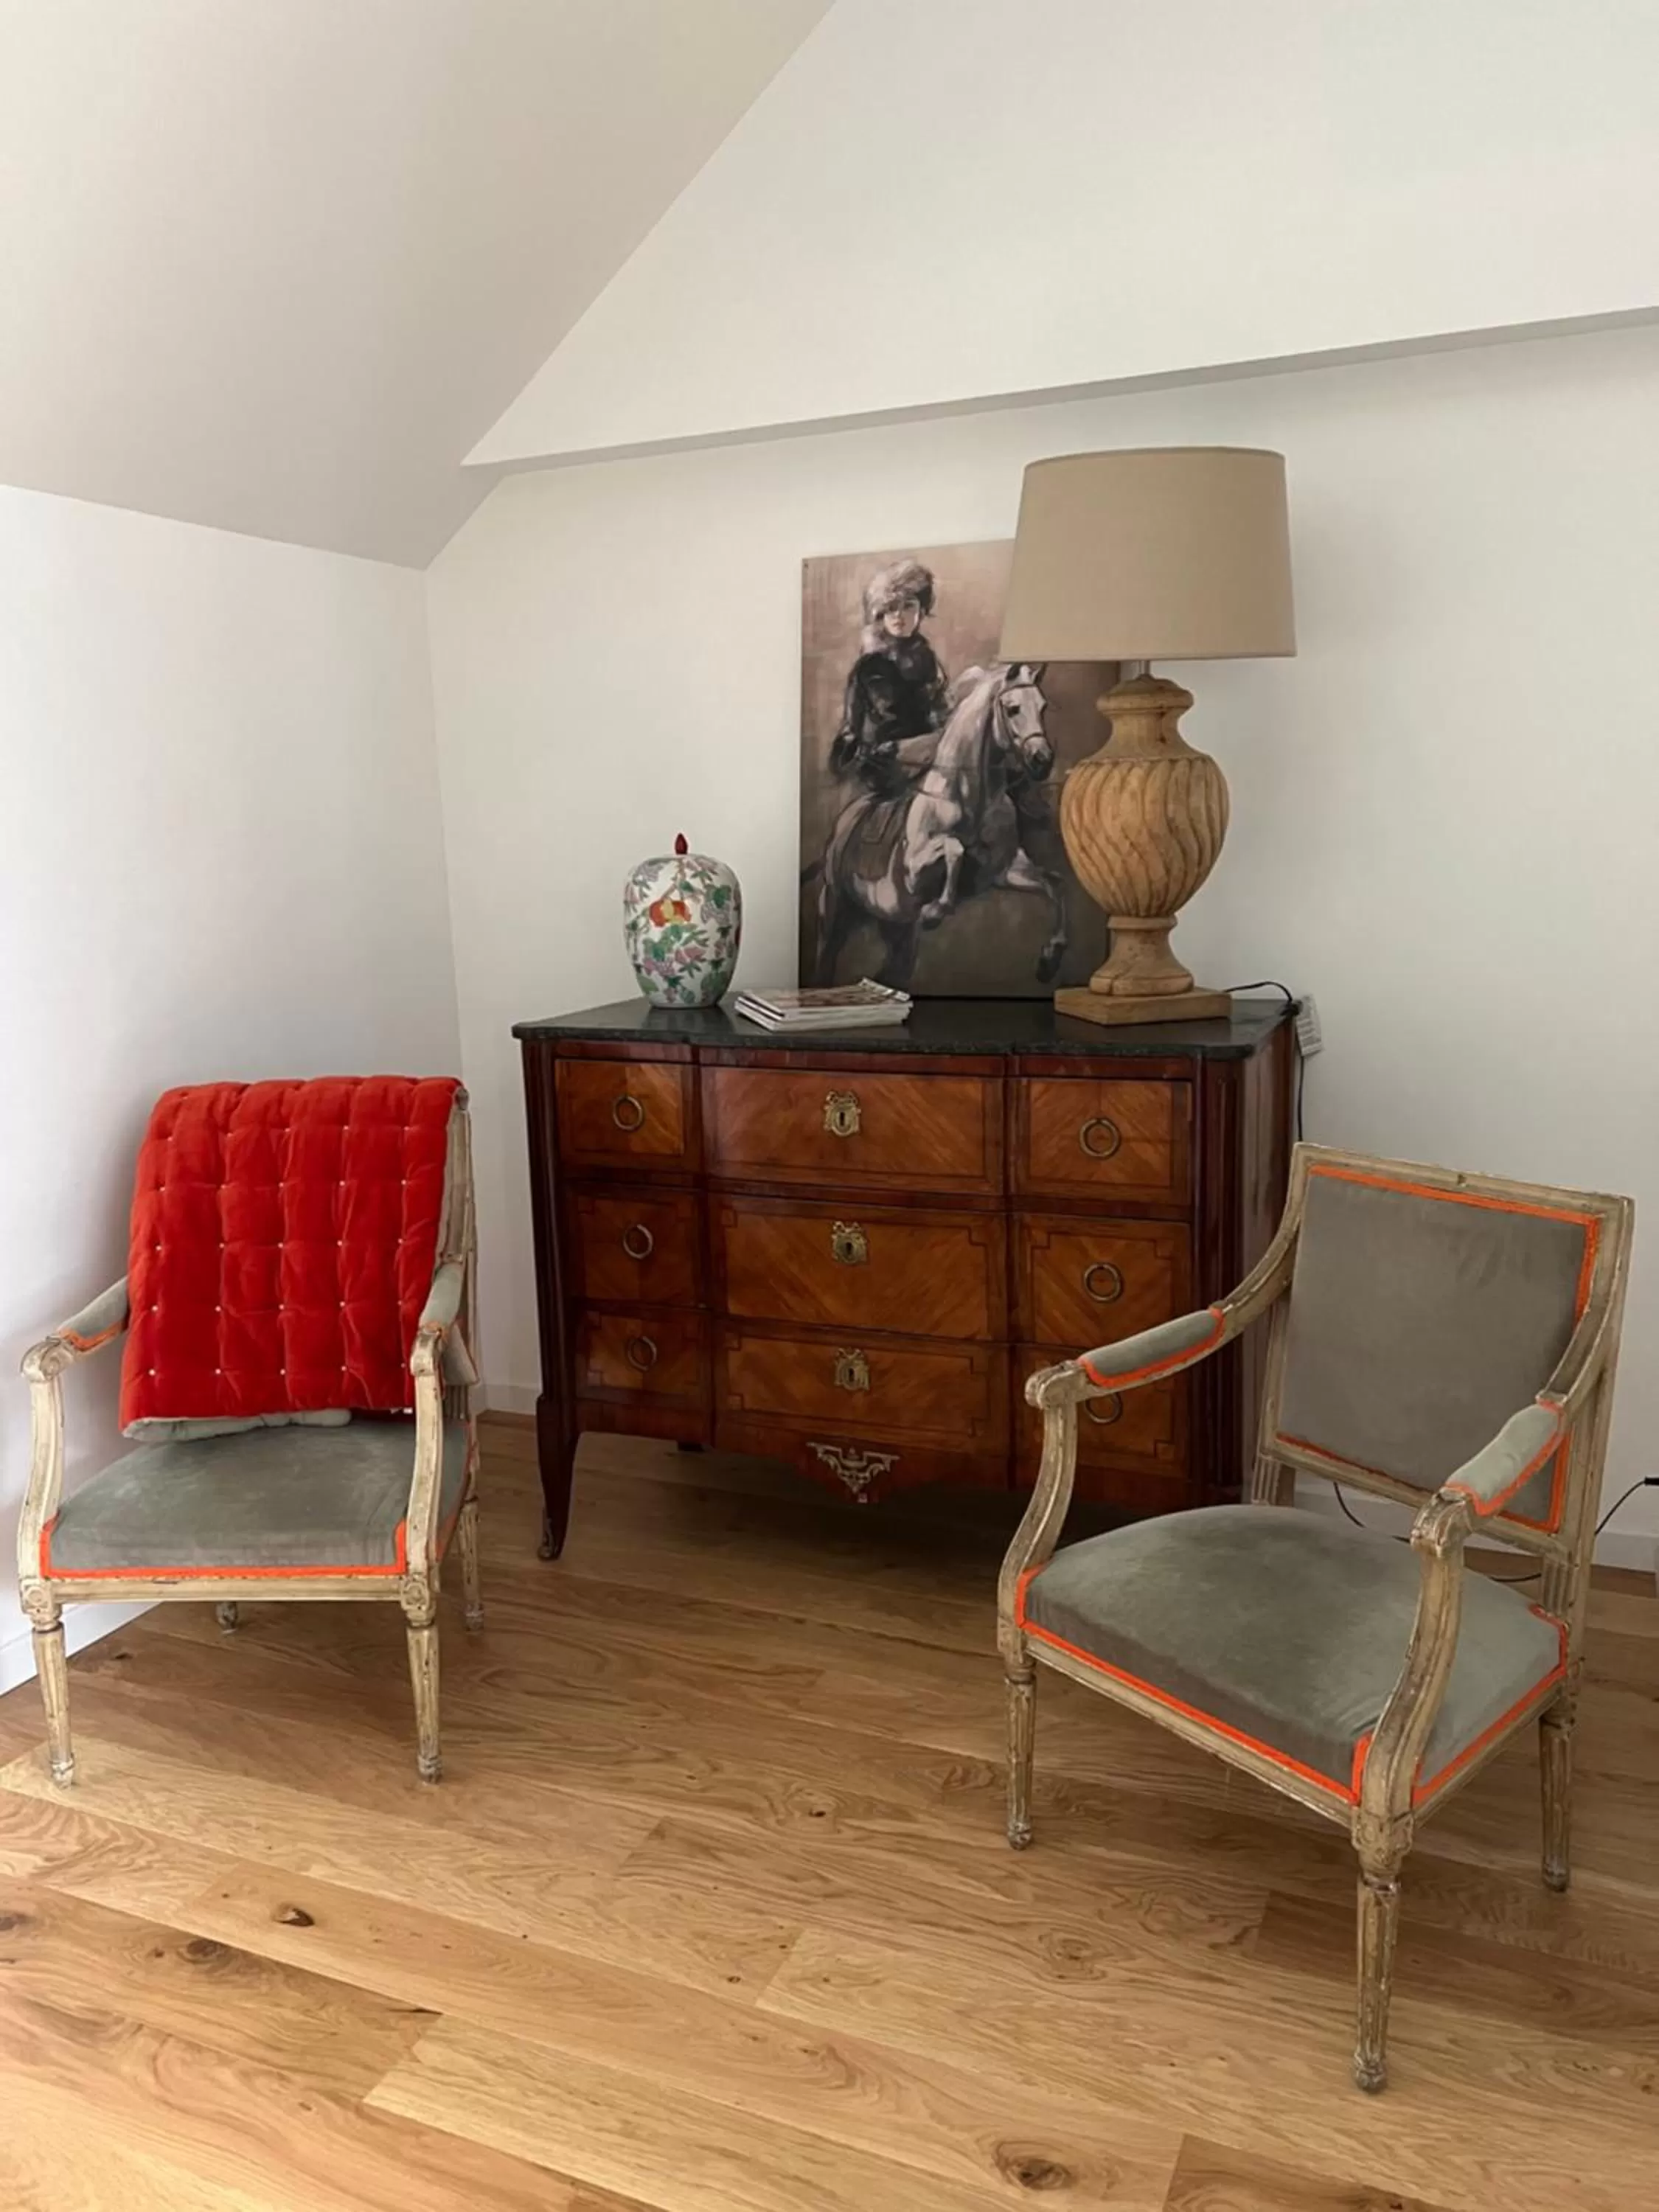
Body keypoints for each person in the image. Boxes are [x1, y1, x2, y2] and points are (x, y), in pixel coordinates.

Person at [827, 558, 949, 799]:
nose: (899, 616)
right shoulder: (873, 666)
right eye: (891, 608)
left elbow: (940, 707)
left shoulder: (927, 659)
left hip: (930, 755)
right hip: (883, 761)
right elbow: (882, 724)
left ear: (922, 611)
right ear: (880, 614)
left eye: (908, 606)